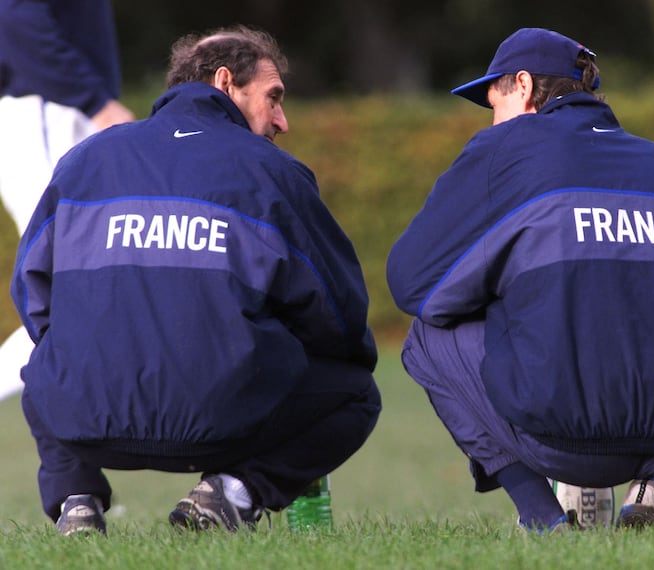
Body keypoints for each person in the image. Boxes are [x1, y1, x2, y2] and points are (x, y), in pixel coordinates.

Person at [11, 25, 381, 536]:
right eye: (273, 97)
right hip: (227, 423)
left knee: (44, 368)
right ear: (226, 82)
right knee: (356, 391)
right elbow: (339, 314)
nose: (282, 120)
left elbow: (32, 295)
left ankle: (76, 502)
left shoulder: (84, 160)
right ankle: (230, 492)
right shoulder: (273, 173)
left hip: (84, 422)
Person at [386, 27, 654, 533]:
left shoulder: (507, 148)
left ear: (521, 86)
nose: (492, 120)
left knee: (428, 337)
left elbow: (411, 283)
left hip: (568, 442)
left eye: (493, 101)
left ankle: (542, 519)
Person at [0, 0, 135, 402]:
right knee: (68, 287)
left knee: (80, 287)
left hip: (56, 110)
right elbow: (15, 15)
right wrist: (96, 101)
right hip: (46, 108)